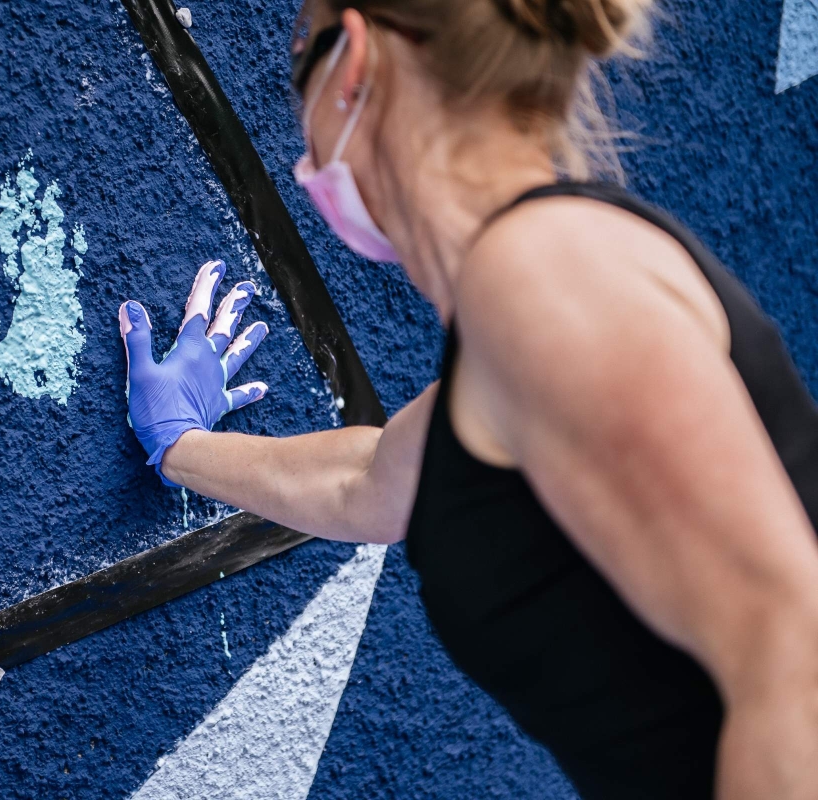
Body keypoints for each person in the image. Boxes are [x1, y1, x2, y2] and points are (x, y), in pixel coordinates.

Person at [116, 0, 818, 796]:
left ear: (350, 64)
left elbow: (792, 654)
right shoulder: (516, 327)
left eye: (296, 62)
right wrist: (179, 445)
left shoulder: (542, 273)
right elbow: (370, 480)